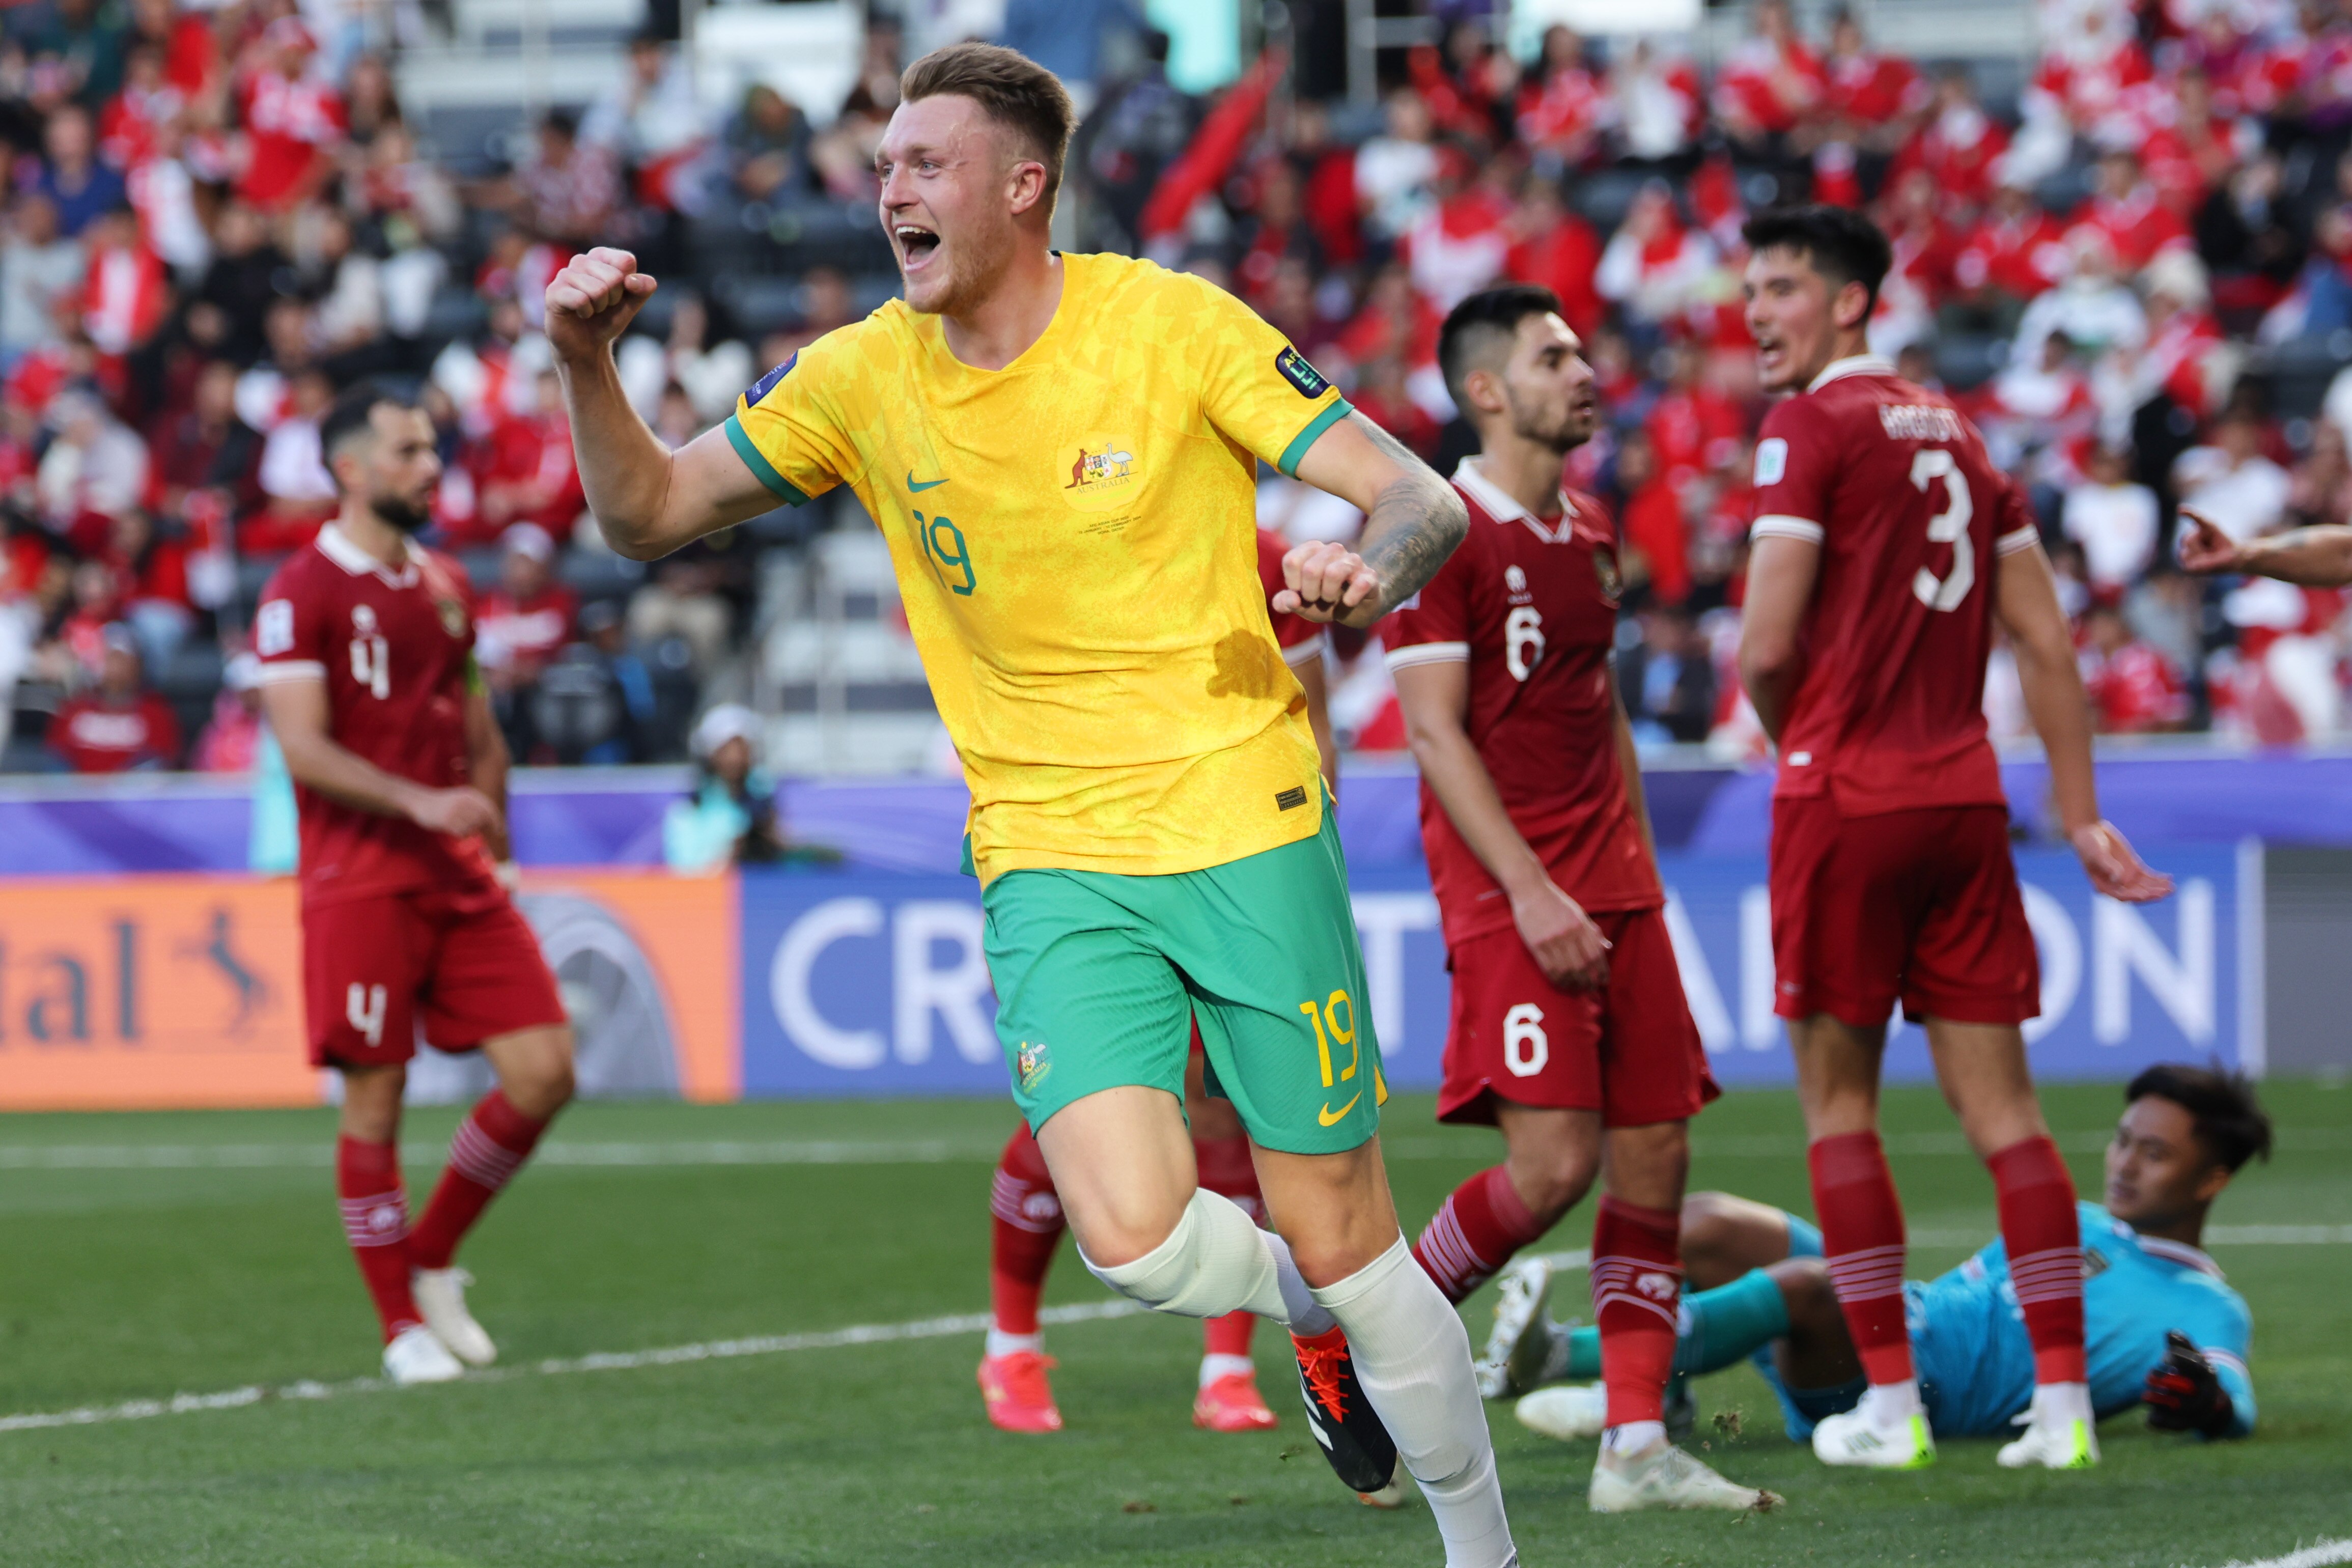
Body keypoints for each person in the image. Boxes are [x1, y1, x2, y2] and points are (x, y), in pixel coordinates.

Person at [547, 43, 1515, 1565]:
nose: (889, 193)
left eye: (923, 165)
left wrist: (1360, 574)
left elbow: (1418, 498)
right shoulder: (862, 375)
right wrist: (587, 363)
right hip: (1048, 851)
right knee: (1130, 1238)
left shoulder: (1168, 322)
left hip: (1241, 814)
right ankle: (1300, 1301)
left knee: (1355, 1230)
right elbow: (647, 512)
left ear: (1024, 185)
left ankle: (1480, 1544)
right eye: (882, 170)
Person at [1734, 205, 2171, 1472]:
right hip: (1965, 799)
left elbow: (1766, 645)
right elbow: (2044, 639)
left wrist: (1800, 731)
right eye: (1753, 291)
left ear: (1854, 303)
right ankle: (2067, 1414)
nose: (1759, 314)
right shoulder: (1970, 439)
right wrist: (2080, 811)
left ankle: (1890, 1408)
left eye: (1782, 289)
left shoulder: (1806, 428)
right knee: (2013, 1120)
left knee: (1837, 1110)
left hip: (1845, 796)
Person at [1375, 283, 1763, 1515]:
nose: (1586, 372)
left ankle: (1635, 1448)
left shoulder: (1592, 533)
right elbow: (1434, 737)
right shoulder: (1433, 530)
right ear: (1487, 390)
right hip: (1514, 894)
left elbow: (1602, 725)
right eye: (1554, 358)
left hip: (1618, 894)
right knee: (1552, 1168)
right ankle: (1370, 1341)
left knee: (1654, 1155)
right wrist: (1537, 891)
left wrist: (1637, 874)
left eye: (1584, 353)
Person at [979, 528, 1337, 1442]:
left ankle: (1226, 1369)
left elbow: (1310, 719)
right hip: (1084, 857)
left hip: (1234, 859)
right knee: (1084, 1113)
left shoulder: (1263, 555)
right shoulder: (1054, 523)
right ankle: (1011, 1343)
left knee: (1230, 1102)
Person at [254, 380, 577, 1388]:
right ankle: (401, 1327)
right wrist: (420, 802)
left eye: (431, 449)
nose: (429, 467)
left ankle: (431, 1256)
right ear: (349, 468)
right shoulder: (297, 594)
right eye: (406, 451)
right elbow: (302, 749)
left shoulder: (443, 581)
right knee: (377, 1101)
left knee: (545, 1070)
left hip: (459, 871)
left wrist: (503, 844)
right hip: (361, 880)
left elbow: (478, 725)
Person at [1509, 1064, 2263, 1449]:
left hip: (1924, 1391)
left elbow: (2234, 1398)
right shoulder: (2080, 1217)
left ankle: (1557, 1356)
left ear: (2213, 1179)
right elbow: (1960, 1295)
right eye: (2125, 1140)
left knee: (1806, 1285)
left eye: (2155, 1154)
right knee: (1705, 1223)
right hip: (1900, 1325)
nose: (2126, 1162)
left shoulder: (2206, 1305)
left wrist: (2211, 1405)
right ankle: (1664, 1398)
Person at [48, 622, 180, 771]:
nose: (113, 666)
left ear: (138, 664)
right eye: (108, 657)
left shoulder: (155, 711)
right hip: (78, 793)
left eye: (121, 658)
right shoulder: (75, 709)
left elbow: (160, 763)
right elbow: (57, 759)